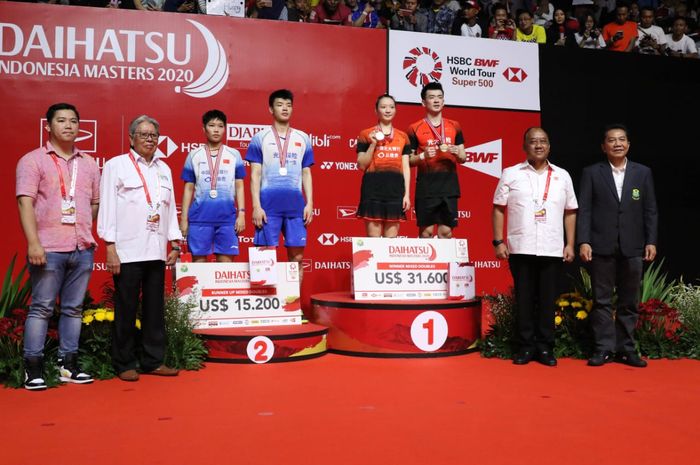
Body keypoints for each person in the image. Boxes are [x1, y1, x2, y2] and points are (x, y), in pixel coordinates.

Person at [16, 103, 99, 390]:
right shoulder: (32, 161)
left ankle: (68, 365)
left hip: (82, 246)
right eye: (61, 121)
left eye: (74, 121)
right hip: (48, 247)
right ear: (48, 126)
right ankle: (33, 368)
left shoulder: (89, 163)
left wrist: (86, 230)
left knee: (74, 309)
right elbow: (25, 202)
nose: (69, 125)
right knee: (41, 308)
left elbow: (95, 202)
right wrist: (34, 243)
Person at [98, 115, 182, 382]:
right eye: (144, 134)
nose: (149, 139)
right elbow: (108, 207)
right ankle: (124, 363)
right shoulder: (116, 166)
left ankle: (153, 360)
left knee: (155, 309)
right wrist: (110, 247)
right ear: (131, 137)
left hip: (156, 249)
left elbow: (169, 210)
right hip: (128, 250)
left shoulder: (164, 169)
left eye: (154, 135)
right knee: (126, 307)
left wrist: (175, 241)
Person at [492, 128, 577, 367]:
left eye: (543, 142)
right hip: (521, 246)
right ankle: (526, 347)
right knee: (525, 300)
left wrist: (570, 243)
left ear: (549, 146)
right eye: (533, 142)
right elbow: (498, 208)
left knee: (548, 300)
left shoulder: (562, 176)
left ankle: (546, 348)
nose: (538, 145)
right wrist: (498, 241)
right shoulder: (511, 173)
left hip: (552, 248)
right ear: (524, 146)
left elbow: (571, 211)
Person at [577, 124, 658, 368]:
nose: (617, 144)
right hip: (601, 244)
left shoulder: (643, 173)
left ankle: (627, 349)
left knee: (629, 301)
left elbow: (650, 210)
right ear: (604, 147)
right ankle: (603, 348)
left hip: (633, 246)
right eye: (611, 140)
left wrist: (651, 240)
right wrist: (584, 240)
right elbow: (585, 210)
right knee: (601, 301)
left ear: (629, 144)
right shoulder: (592, 172)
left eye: (622, 139)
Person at [246, 89, 314, 272]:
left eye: (288, 105)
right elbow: (255, 175)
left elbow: (306, 173)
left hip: (295, 207)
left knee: (298, 259)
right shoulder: (260, 138)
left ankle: (295, 301)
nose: (285, 108)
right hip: (268, 208)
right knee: (265, 259)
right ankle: (271, 300)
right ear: (270, 109)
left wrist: (309, 203)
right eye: (279, 104)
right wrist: (256, 206)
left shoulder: (303, 138)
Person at [180, 110, 246, 262]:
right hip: (199, 219)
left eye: (220, 126)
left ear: (225, 129)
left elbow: (239, 186)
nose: (216, 130)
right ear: (204, 129)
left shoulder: (234, 154)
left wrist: (241, 213)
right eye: (211, 125)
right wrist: (184, 218)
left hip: (227, 219)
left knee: (226, 267)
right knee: (199, 268)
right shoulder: (194, 155)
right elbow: (188, 188)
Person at [407, 82, 466, 239]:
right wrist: (422, 156)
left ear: (444, 101)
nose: (436, 100)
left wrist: (457, 152)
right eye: (432, 97)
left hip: (449, 187)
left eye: (440, 97)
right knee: (426, 233)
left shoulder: (455, 126)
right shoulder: (414, 128)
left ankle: (445, 264)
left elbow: (463, 157)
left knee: (446, 232)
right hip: (426, 188)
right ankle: (426, 264)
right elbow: (409, 160)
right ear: (423, 102)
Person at [356, 94, 411, 238]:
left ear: (395, 110)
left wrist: (406, 195)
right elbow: (362, 165)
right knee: (373, 243)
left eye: (391, 107)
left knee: (390, 244)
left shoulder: (403, 137)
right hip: (373, 192)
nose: (388, 110)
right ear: (376, 111)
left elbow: (405, 167)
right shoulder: (366, 134)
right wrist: (373, 144)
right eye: (383, 107)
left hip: (395, 192)